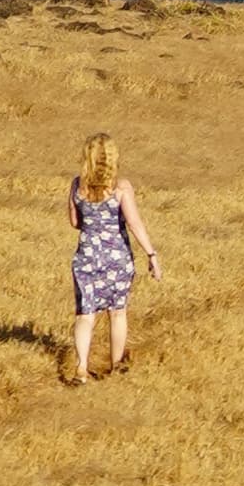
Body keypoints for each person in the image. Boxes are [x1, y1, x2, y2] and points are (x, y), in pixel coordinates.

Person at [65, 137, 160, 384]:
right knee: (117, 313)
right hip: (117, 259)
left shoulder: (77, 186)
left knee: (85, 316)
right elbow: (134, 223)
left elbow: (75, 222)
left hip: (86, 259)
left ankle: (81, 369)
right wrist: (151, 254)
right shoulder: (121, 187)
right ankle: (116, 365)